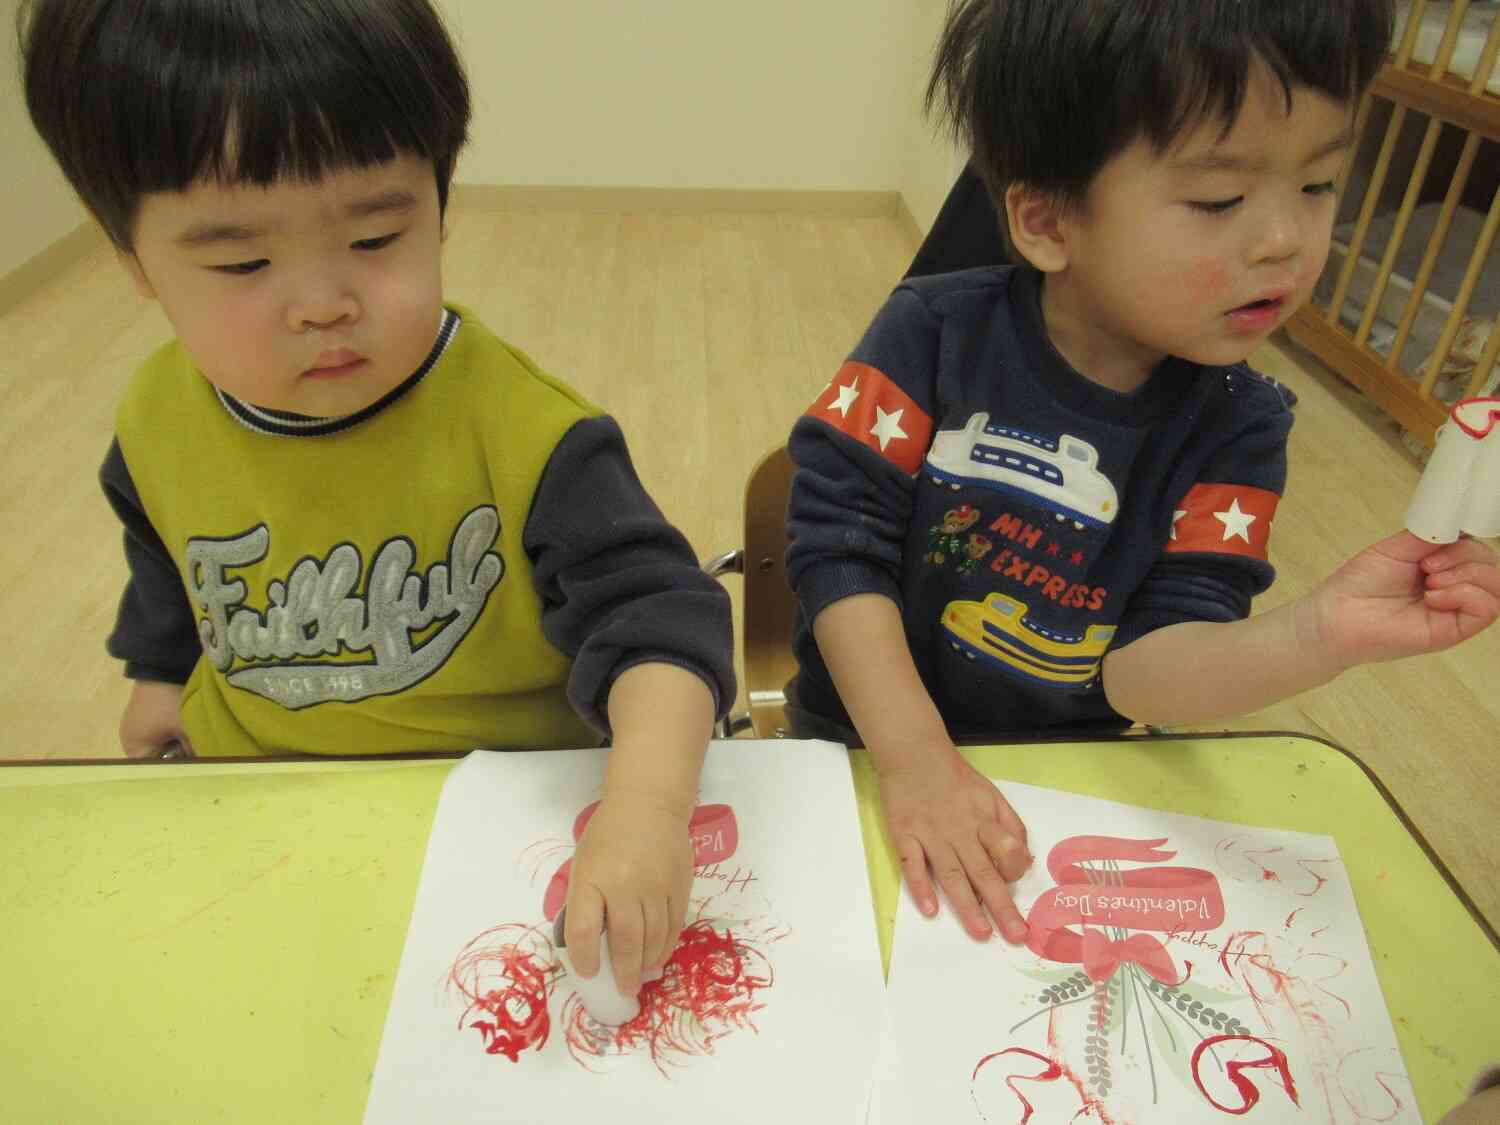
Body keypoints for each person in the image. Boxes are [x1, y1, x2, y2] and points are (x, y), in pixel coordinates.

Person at [19, 0, 736, 1000]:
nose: (323, 303)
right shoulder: (154, 417)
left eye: (376, 236)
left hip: (498, 820)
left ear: (440, 204)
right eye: (242, 263)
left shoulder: (529, 435)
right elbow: (168, 553)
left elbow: (664, 623)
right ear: (130, 255)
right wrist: (159, 671)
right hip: (261, 803)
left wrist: (647, 810)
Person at [785, 0, 1500, 945]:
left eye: (1319, 184)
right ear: (1048, 219)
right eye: (1219, 200)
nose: (1286, 240)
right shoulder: (931, 334)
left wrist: (1321, 632)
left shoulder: (1241, 427)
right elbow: (837, 546)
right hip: (862, 741)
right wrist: (915, 758)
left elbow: (1144, 673)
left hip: (1072, 776)